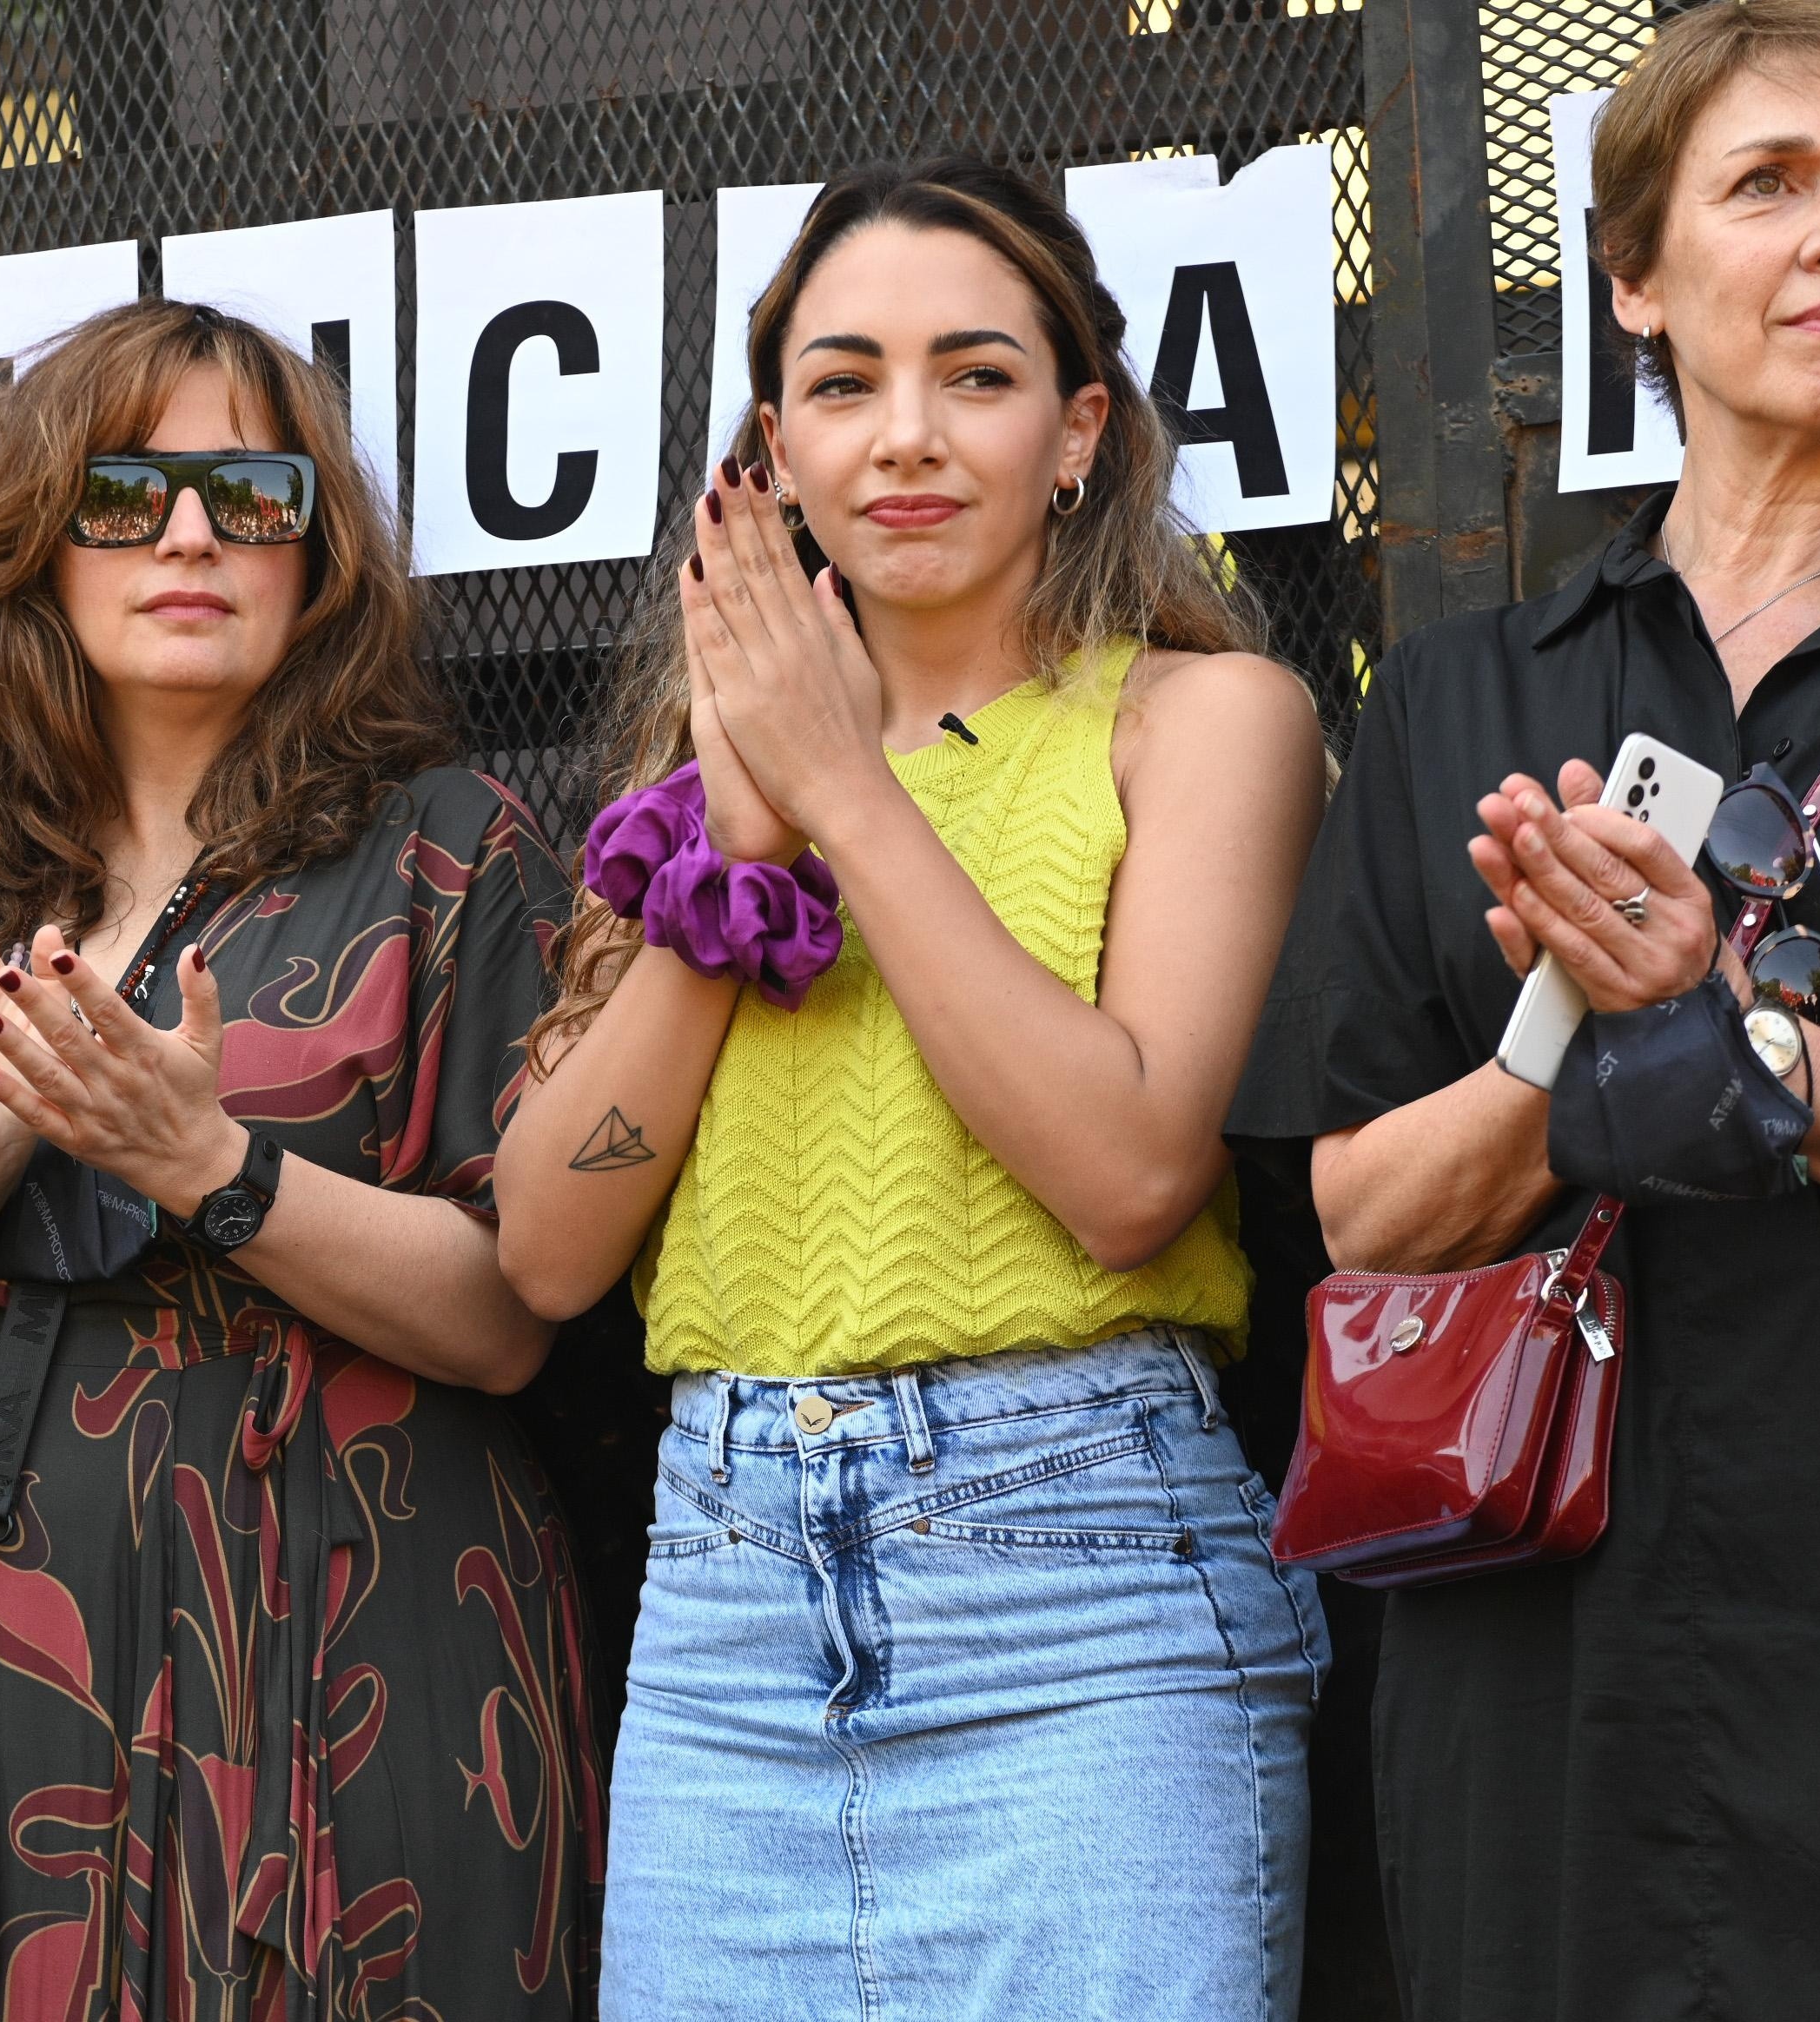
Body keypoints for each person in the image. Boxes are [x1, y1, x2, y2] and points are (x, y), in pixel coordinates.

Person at [1230, 3, 1820, 2013]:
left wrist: (1739, 1036)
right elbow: (1365, 1219)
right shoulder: (1454, 704)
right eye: (1772, 185)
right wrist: (1572, 1027)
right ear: (1639, 278)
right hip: (1571, 1678)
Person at [493, 159, 1330, 2020]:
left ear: (1078, 432)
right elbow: (548, 1250)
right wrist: (732, 852)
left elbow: (1126, 1176)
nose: (908, 437)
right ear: (774, 451)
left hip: (1086, 1597)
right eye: (844, 383)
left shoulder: (1198, 720)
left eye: (976, 375)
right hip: (725, 1624)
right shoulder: (695, 781)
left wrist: (849, 803)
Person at [0, 299, 600, 2019]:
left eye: (251, 496)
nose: (193, 535)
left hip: (359, 1668)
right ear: (40, 555)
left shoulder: (452, 857)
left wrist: (216, 1168)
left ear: (317, 558)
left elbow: (515, 1314)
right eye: (126, 496)